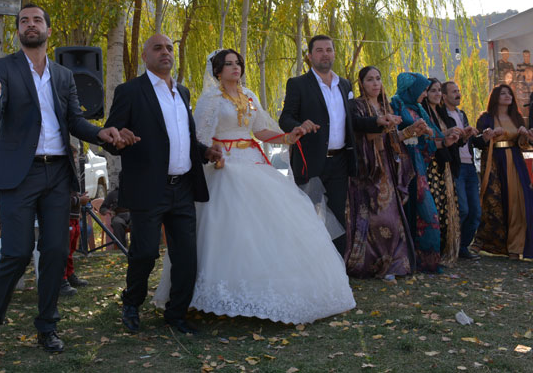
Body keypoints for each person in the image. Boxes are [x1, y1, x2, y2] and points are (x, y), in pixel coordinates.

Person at [154, 49, 355, 324]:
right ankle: (215, 294)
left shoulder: (249, 95)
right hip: (223, 166)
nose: (235, 68)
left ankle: (270, 289)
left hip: (253, 161)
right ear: (217, 71)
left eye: (238, 63)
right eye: (228, 64)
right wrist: (212, 156)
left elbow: (260, 131)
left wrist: (289, 137)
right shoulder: (210, 99)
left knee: (274, 222)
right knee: (228, 230)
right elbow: (199, 137)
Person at [0, 3, 125, 355]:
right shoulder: (3, 68)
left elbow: (74, 120)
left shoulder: (63, 75)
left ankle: (47, 327)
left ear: (47, 29)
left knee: (56, 251)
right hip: (20, 175)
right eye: (24, 21)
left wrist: (101, 133)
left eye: (37, 20)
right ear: (18, 31)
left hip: (58, 173)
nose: (30, 24)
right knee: (16, 253)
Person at [104, 34, 222, 335]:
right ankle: (132, 304)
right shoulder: (130, 91)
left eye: (169, 48)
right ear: (145, 56)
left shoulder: (182, 92)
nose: (165, 52)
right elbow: (110, 135)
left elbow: (183, 137)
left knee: (186, 256)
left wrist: (204, 152)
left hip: (183, 187)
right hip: (148, 188)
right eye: (157, 48)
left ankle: (176, 314)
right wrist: (118, 137)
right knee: (145, 253)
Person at [279, 35, 389, 255]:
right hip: (310, 161)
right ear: (310, 56)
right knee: (307, 216)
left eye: (329, 50)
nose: (325, 54)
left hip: (340, 162)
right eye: (319, 50)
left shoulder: (344, 84)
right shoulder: (298, 84)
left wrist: (377, 122)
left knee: (338, 219)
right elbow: (285, 118)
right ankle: (306, 263)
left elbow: (351, 121)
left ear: (334, 54)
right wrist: (299, 125)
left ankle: (337, 267)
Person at [346, 66, 421, 282]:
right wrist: (382, 126)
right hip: (367, 169)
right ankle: (369, 264)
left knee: (393, 218)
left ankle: (393, 263)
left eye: (378, 78)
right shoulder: (356, 106)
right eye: (370, 79)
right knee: (374, 218)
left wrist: (412, 131)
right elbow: (360, 134)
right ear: (361, 83)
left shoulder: (385, 105)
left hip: (386, 167)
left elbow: (393, 139)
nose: (375, 83)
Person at [390, 72, 458, 273]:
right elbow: (391, 136)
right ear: (411, 89)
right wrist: (411, 130)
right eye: (423, 90)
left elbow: (434, 136)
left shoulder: (419, 108)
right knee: (404, 208)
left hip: (418, 163)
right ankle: (403, 260)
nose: (425, 94)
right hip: (401, 161)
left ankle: (425, 260)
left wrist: (446, 140)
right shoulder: (395, 105)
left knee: (425, 210)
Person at [472, 84, 533, 260]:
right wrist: (488, 135)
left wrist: (525, 135)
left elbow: (524, 144)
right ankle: (494, 243)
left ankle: (516, 246)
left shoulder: (517, 118)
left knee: (519, 201)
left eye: (509, 94)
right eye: (503, 93)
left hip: (515, 161)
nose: (508, 96)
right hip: (495, 161)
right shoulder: (486, 118)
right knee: (496, 201)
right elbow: (478, 142)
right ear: (495, 97)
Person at [422, 78, 463, 267]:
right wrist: (445, 137)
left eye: (439, 90)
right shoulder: (423, 114)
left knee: (447, 209)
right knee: (435, 210)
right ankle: (432, 252)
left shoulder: (440, 113)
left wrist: (460, 136)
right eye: (433, 90)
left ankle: (446, 249)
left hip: (445, 166)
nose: (437, 94)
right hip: (430, 167)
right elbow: (426, 140)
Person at [441, 81, 482, 259]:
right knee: (462, 209)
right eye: (453, 92)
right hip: (456, 166)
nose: (458, 94)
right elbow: (451, 141)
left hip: (470, 165)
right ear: (444, 96)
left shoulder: (462, 114)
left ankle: (463, 247)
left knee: (475, 211)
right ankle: (452, 245)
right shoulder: (443, 115)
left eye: (458, 91)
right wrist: (461, 136)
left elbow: (469, 142)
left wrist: (482, 138)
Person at [60, 190, 91, 297]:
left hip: (74, 218)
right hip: (65, 219)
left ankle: (70, 275)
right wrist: (79, 200)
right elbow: (60, 200)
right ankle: (62, 280)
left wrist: (79, 197)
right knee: (64, 251)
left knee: (70, 250)